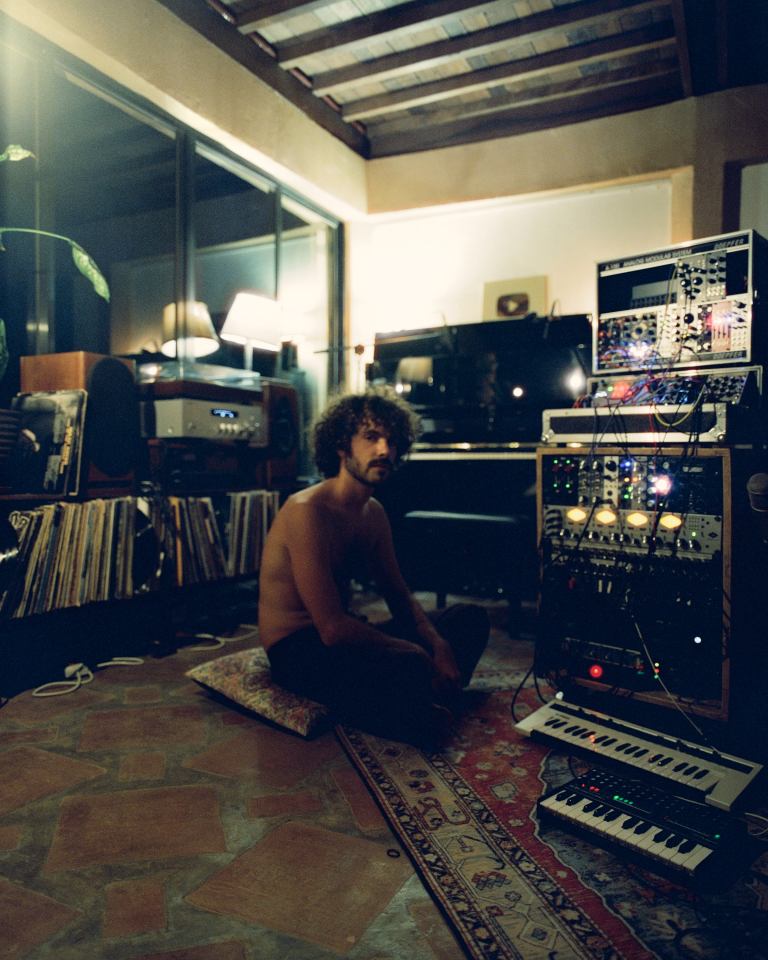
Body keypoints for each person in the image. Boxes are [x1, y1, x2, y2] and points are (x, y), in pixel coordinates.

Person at [258, 387, 490, 746]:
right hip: (298, 649)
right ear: (342, 445)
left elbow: (398, 595)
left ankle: (419, 700)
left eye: (392, 440)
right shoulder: (306, 511)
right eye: (371, 437)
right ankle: (418, 705)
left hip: (345, 636)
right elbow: (331, 629)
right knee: (408, 664)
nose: (384, 450)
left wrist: (437, 643)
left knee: (468, 619)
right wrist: (413, 650)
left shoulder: (373, 513)